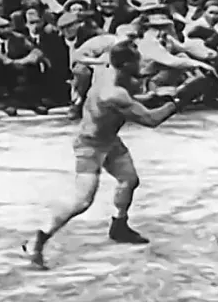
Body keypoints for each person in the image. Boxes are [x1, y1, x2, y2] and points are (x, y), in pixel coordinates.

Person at [22, 40, 206, 269]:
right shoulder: (113, 93)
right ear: (127, 64)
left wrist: (164, 91)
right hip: (90, 145)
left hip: (109, 139)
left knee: (129, 180)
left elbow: (135, 96)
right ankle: (37, 239)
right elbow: (151, 119)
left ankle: (119, 226)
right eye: (138, 61)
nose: (143, 64)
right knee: (82, 201)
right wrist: (181, 99)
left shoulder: (106, 70)